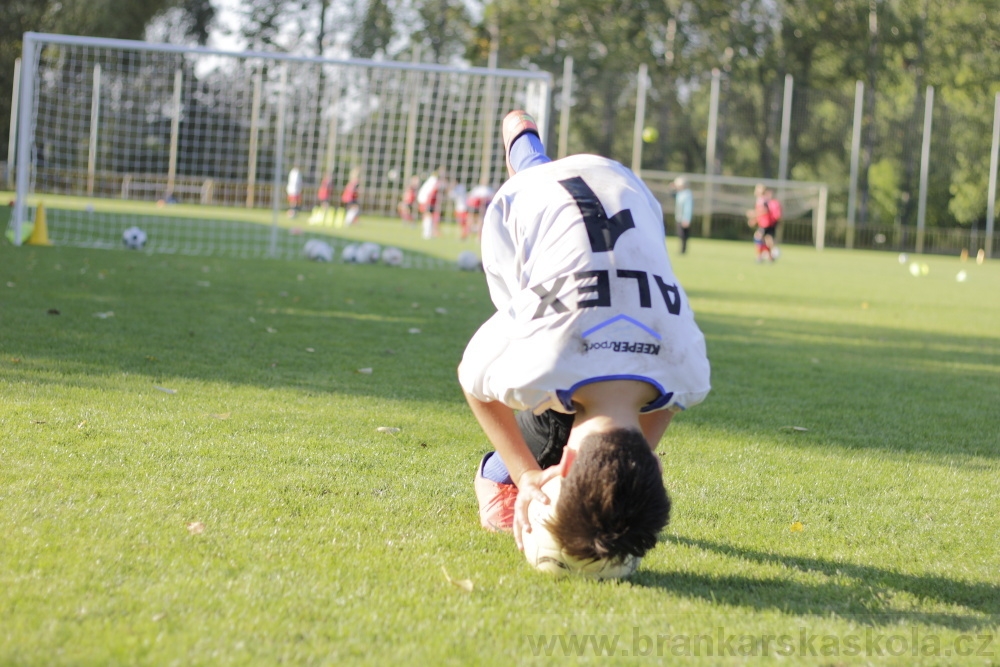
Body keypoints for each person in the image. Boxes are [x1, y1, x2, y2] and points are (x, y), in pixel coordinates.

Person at [458, 110, 711, 566]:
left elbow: (672, 398)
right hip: (521, 214)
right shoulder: (543, 359)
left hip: (624, 185)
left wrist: (627, 475)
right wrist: (527, 473)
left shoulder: (690, 370)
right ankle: (494, 476)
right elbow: (471, 380)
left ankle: (527, 148)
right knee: (552, 405)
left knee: (573, 400)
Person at [749, 184, 781, 262]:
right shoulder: (763, 199)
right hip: (765, 222)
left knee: (758, 237)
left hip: (765, 223)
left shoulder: (761, 200)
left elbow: (764, 211)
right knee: (767, 239)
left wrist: (754, 214)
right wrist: (755, 219)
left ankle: (760, 256)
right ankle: (770, 256)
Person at [417, 171, 445, 240]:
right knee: (428, 216)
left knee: (428, 216)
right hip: (428, 201)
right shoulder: (434, 182)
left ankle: (428, 233)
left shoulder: (431, 181)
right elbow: (433, 192)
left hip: (427, 201)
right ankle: (427, 234)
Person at [672, 177, 694, 254]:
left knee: (684, 235)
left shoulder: (687, 194)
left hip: (684, 219)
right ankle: (681, 250)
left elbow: (688, 207)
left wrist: (686, 219)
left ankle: (683, 250)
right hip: (678, 217)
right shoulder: (679, 193)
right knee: (679, 234)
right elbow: (671, 194)